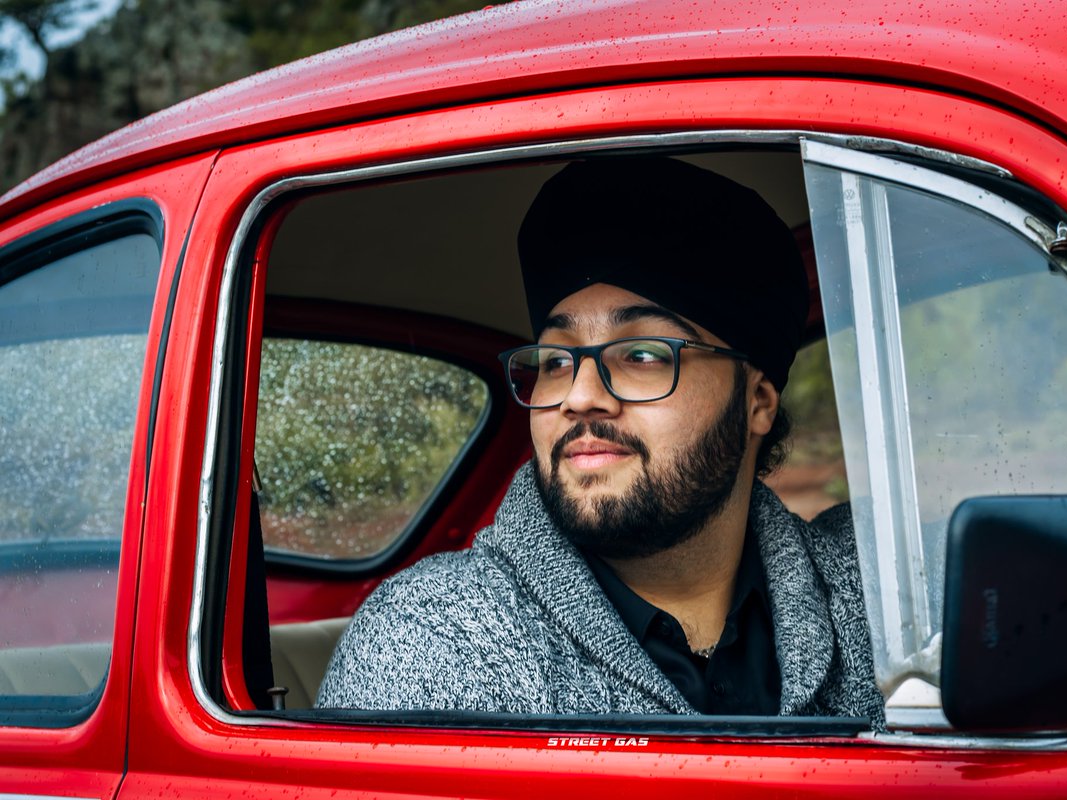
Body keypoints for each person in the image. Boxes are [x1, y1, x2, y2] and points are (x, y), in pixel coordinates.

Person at [316, 156, 884, 725]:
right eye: (557, 361)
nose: (579, 396)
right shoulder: (433, 645)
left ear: (757, 402)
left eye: (641, 355)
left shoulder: (876, 597)